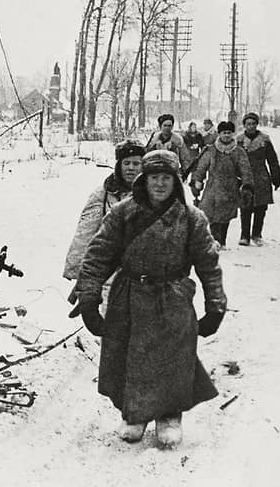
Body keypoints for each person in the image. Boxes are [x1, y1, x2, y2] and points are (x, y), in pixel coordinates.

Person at [74, 150, 226, 449]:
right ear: (143, 180)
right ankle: (134, 414)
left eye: (166, 178)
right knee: (128, 356)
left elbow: (209, 264)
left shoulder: (192, 218)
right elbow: (97, 255)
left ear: (175, 181)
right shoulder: (122, 213)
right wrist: (89, 297)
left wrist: (215, 305)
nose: (159, 184)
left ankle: (170, 416)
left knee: (173, 358)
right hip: (128, 295)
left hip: (172, 296)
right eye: (154, 177)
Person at [63, 139, 145, 283]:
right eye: (126, 163)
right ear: (119, 166)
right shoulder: (103, 194)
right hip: (110, 273)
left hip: (144, 274)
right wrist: (76, 268)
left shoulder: (153, 194)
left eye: (136, 163)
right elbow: (85, 232)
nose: (131, 168)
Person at [191, 121, 253, 248]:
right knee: (211, 214)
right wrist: (197, 181)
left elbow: (245, 169)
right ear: (219, 134)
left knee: (226, 215)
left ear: (233, 134)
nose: (226, 135)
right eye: (224, 133)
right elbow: (201, 167)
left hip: (230, 188)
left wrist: (247, 185)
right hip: (213, 187)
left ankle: (222, 240)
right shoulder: (211, 150)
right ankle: (215, 239)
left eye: (229, 133)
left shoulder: (238, 151)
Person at [236, 112, 280, 246]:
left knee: (261, 207)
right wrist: (235, 178)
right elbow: (234, 161)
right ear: (244, 125)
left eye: (253, 124)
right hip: (245, 177)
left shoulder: (265, 140)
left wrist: (276, 177)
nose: (251, 126)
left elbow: (272, 160)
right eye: (248, 124)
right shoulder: (238, 140)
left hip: (262, 177)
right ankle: (244, 235)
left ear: (257, 124)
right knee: (245, 206)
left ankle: (257, 234)